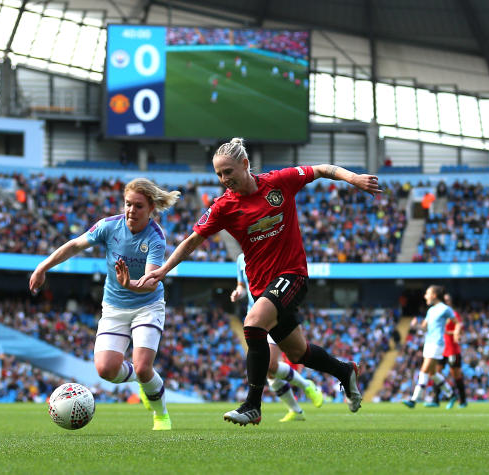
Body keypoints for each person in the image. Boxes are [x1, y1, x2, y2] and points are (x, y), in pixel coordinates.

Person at [137, 137, 379, 425]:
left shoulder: (280, 182)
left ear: (245, 164)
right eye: (219, 174)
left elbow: (323, 169)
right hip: (261, 285)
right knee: (298, 352)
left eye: (229, 171)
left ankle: (253, 405)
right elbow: (192, 241)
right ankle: (344, 371)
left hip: (293, 275)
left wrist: (355, 179)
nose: (224, 179)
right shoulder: (224, 206)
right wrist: (164, 269)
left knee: (252, 324)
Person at [30, 177, 180, 430]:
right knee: (105, 370)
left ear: (151, 208)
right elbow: (75, 245)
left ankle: (161, 415)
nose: (131, 210)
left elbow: (152, 281)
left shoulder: (155, 237)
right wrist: (43, 266)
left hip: (147, 306)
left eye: (138, 206)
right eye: (128, 204)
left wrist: (129, 284)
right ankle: (140, 379)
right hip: (114, 307)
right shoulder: (109, 226)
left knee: (145, 367)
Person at [231, 252, 324, 422]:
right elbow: (241, 285)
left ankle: (307, 385)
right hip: (253, 318)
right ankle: (296, 410)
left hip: (274, 314)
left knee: (270, 364)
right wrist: (238, 292)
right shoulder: (240, 259)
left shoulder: (269, 252)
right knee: (269, 372)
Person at [404, 285, 455, 409]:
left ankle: (413, 400)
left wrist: (456, 332)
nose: (425, 296)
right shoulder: (430, 310)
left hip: (437, 343)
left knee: (424, 370)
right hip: (428, 343)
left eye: (427, 293)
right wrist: (415, 325)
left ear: (434, 295)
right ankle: (452, 394)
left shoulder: (445, 309)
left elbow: (456, 323)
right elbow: (424, 328)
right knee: (432, 373)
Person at [439, 292, 466, 409]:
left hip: (452, 350)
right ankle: (438, 399)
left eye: (447, 300)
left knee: (455, 375)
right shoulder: (440, 315)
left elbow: (459, 330)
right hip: (441, 349)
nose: (446, 302)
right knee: (435, 373)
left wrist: (451, 333)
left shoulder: (454, 315)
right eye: (444, 300)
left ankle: (462, 400)